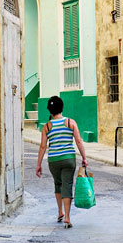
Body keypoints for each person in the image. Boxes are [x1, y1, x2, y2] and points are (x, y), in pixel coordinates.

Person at [35, 95, 88, 228]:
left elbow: (43, 146)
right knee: (67, 185)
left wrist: (38, 164)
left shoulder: (46, 127)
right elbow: (78, 141)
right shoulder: (70, 122)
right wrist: (84, 157)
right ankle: (68, 218)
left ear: (50, 111)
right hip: (69, 159)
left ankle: (60, 212)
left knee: (58, 184)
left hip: (54, 160)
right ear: (62, 108)